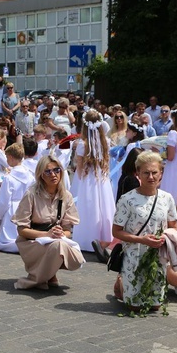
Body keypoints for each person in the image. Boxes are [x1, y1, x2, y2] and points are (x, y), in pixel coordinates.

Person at [113, 151, 177, 310]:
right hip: (134, 256)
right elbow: (116, 232)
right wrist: (141, 239)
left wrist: (166, 238)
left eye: (154, 172)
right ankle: (122, 284)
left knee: (155, 306)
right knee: (134, 307)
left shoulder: (167, 198)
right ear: (138, 174)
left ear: (161, 173)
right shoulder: (127, 199)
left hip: (157, 257)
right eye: (146, 173)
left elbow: (173, 227)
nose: (151, 177)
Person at [13, 154, 84, 289]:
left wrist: (60, 233)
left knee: (64, 248)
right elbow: (21, 230)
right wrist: (47, 235)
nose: (53, 174)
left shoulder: (66, 196)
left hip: (55, 240)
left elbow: (68, 230)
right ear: (41, 175)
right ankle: (39, 278)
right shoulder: (31, 194)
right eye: (48, 171)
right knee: (57, 246)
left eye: (57, 170)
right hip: (31, 241)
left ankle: (48, 272)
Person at [72, 110, 115, 256]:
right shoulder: (106, 143)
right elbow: (107, 163)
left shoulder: (81, 145)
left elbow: (79, 168)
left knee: (89, 207)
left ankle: (87, 239)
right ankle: (104, 236)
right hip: (102, 179)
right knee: (104, 206)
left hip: (88, 180)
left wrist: (82, 179)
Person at [0, 143, 36, 253]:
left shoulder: (9, 178)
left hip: (12, 209)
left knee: (7, 240)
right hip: (27, 207)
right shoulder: (30, 175)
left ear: (10, 157)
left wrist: (1, 215)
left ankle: (21, 246)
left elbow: (4, 201)